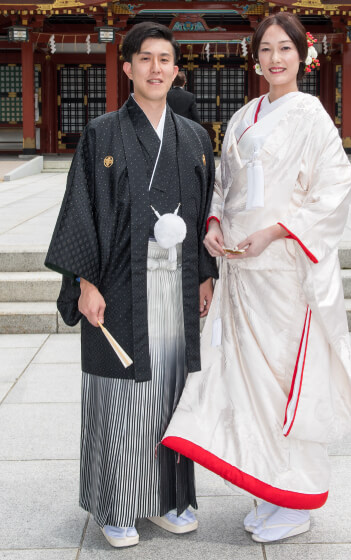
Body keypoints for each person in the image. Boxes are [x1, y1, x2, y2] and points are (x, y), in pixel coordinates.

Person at [160, 11, 351, 543]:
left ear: (303, 56)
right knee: (243, 382)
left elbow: (335, 186)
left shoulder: (313, 115)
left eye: (285, 50)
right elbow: (223, 181)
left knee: (280, 382)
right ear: (256, 59)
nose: (275, 59)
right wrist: (215, 221)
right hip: (240, 269)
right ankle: (268, 491)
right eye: (267, 50)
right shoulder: (246, 114)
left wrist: (276, 231)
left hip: (285, 269)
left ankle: (295, 499)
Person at [43, 21, 216, 548]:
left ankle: (168, 499)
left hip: (177, 284)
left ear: (176, 70)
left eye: (165, 59)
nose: (156, 69)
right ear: (128, 69)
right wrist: (83, 282)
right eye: (145, 59)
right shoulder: (102, 134)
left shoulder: (195, 137)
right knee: (120, 396)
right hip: (117, 284)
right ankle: (114, 505)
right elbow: (82, 212)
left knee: (168, 389)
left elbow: (207, 211)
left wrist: (206, 275)